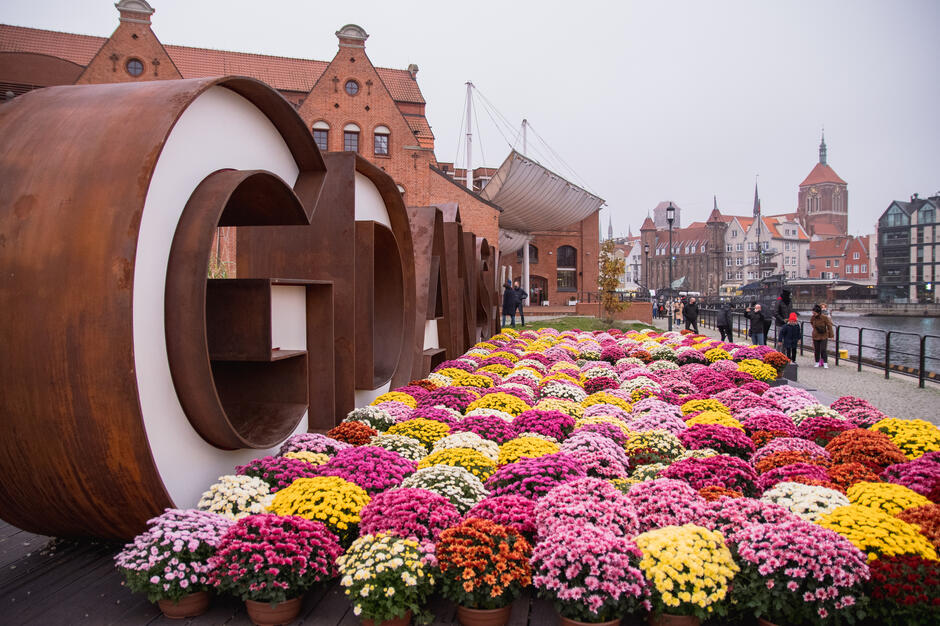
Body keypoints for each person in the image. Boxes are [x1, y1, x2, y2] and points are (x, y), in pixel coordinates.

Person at [811, 303, 834, 368]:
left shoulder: (824, 317)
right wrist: (816, 329)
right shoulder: (813, 318)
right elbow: (812, 323)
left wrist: (831, 335)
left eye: (814, 312)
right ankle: (817, 362)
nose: (813, 314)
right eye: (813, 312)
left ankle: (825, 362)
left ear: (818, 312)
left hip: (824, 335)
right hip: (816, 335)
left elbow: (829, 326)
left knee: (823, 349)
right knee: (817, 349)